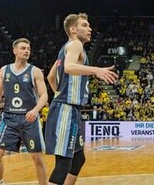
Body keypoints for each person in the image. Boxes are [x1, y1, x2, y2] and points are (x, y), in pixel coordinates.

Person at [44, 13, 118, 185]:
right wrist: (96, 70)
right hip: (65, 109)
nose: (89, 28)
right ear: (73, 29)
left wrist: (58, 94)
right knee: (63, 164)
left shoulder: (69, 48)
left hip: (71, 109)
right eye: (84, 25)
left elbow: (50, 77)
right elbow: (68, 67)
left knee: (78, 159)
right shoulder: (75, 44)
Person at [0, 38, 48, 185]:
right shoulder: (4, 70)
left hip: (29, 119)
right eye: (23, 48)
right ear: (14, 50)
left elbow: (44, 95)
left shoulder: (35, 71)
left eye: (28, 49)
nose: (26, 51)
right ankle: (0, 183)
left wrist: (35, 111)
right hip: (9, 118)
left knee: (38, 158)